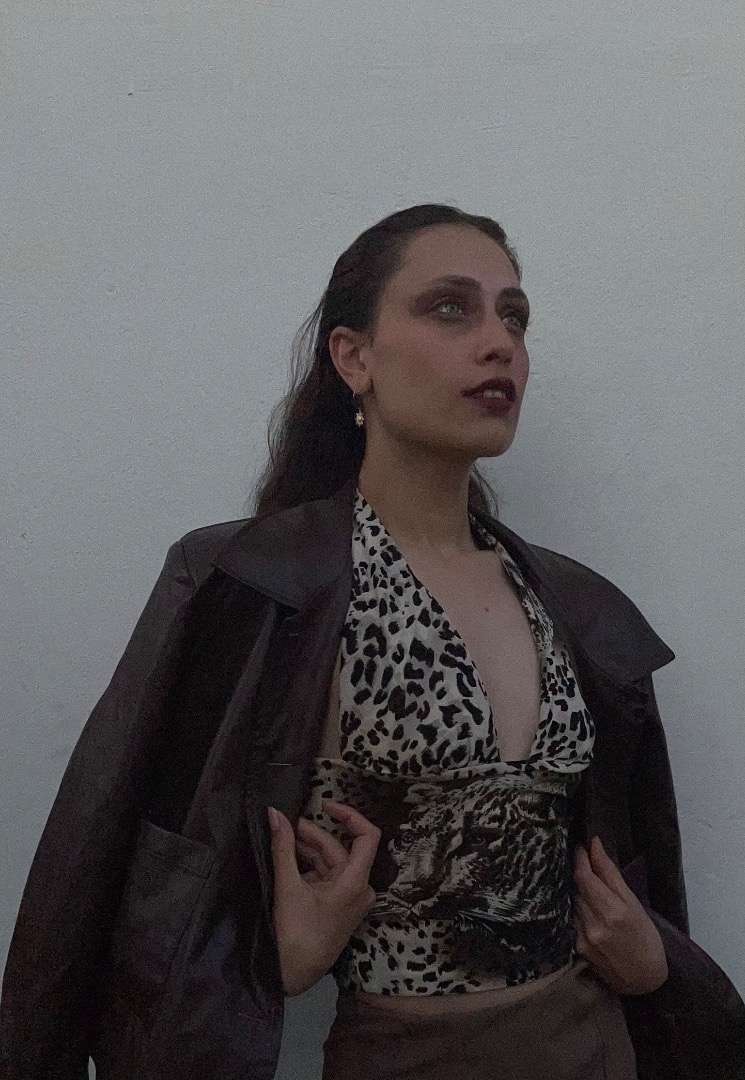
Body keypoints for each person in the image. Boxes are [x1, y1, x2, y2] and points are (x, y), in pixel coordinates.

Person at [1, 204, 743, 1080]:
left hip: (590, 1048)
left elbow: (633, 853)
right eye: (450, 308)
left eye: (514, 317)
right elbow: (102, 865)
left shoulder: (576, 608)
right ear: (353, 358)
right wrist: (276, 960)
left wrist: (654, 965)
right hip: (399, 1056)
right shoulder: (258, 586)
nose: (499, 343)